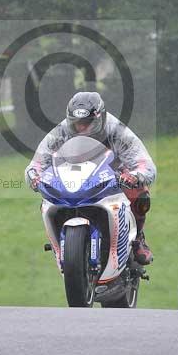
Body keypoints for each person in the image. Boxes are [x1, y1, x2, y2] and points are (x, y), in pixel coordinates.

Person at [24, 91, 156, 265]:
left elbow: (145, 164)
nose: (81, 129)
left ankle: (137, 238)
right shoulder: (60, 132)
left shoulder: (117, 131)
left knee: (141, 193)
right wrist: (34, 176)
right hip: (71, 179)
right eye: (76, 124)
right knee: (46, 198)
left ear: (101, 119)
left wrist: (135, 175)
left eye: (87, 124)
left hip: (111, 179)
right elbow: (37, 163)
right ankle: (59, 244)